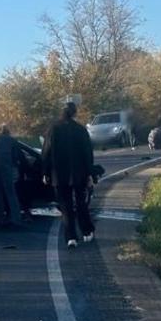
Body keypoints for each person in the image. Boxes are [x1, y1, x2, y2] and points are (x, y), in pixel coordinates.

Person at [42, 102, 96, 249]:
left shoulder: (53, 129)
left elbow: (46, 152)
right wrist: (90, 173)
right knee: (81, 203)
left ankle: (71, 237)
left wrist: (45, 172)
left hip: (59, 174)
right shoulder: (80, 130)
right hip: (79, 173)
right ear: (74, 113)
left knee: (65, 206)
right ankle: (86, 231)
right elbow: (87, 153)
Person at [0, 124, 28, 227]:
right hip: (4, 165)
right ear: (7, 131)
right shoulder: (11, 140)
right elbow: (16, 156)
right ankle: (16, 219)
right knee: (10, 192)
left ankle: (0, 219)